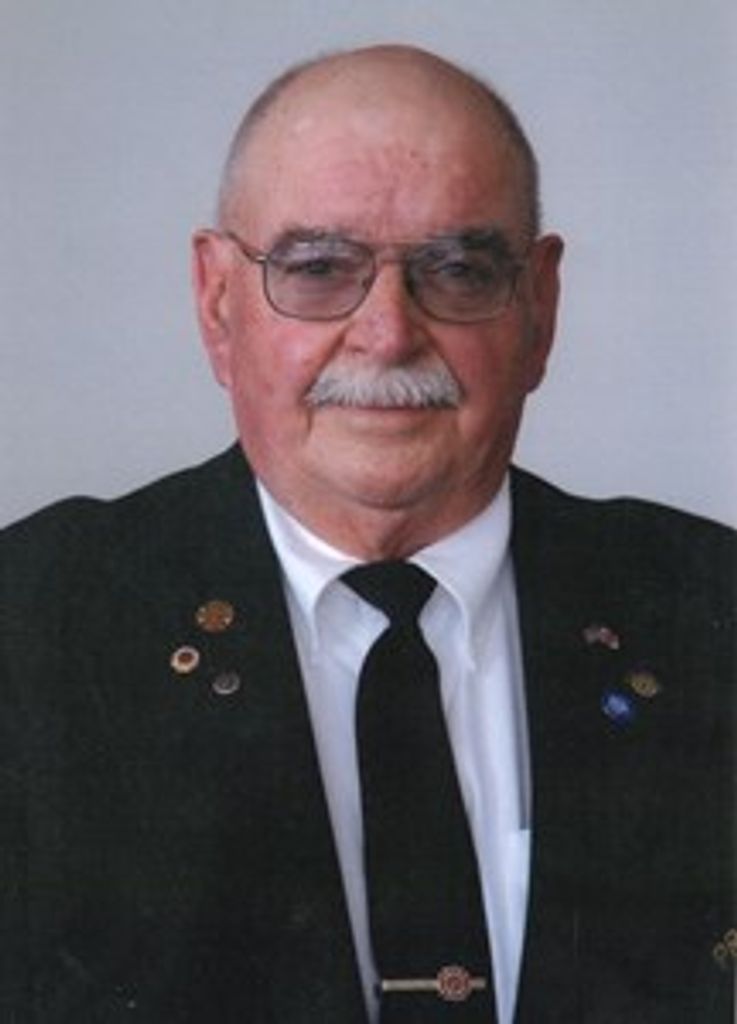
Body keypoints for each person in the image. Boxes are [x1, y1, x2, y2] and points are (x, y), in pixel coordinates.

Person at [0, 44, 734, 1024]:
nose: (387, 333)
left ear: (540, 307)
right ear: (217, 303)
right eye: (317, 269)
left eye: (458, 270)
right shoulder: (32, 633)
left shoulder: (710, 612)